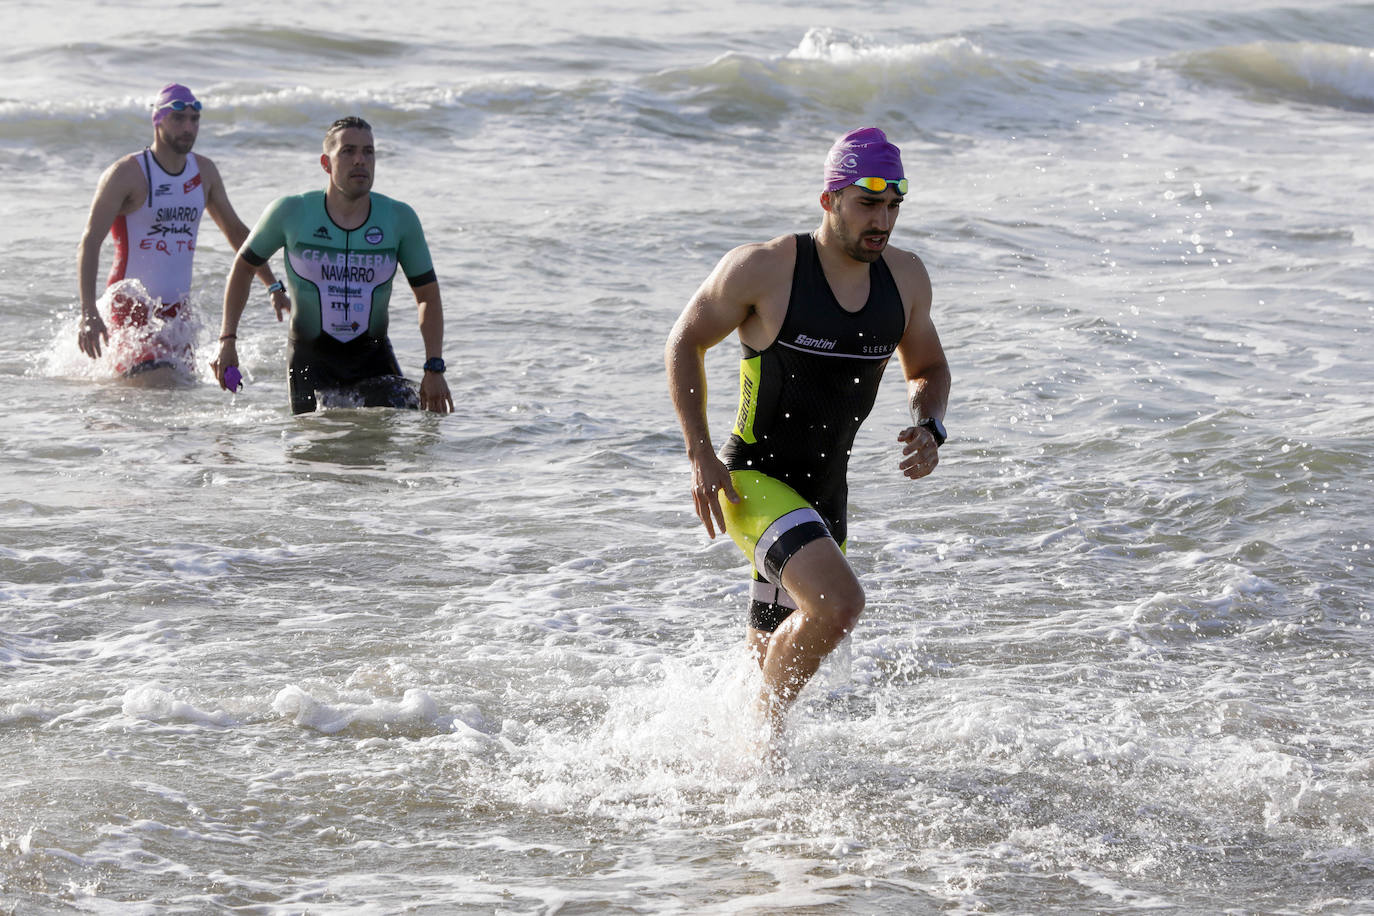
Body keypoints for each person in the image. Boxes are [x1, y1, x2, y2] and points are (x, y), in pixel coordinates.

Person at [664, 127, 951, 744]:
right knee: (839, 606)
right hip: (752, 481)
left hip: (826, 494)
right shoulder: (766, 269)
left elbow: (926, 366)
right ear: (830, 200)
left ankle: (737, 776)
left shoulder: (905, 280)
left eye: (894, 205)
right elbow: (684, 340)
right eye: (868, 203)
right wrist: (700, 455)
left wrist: (931, 423)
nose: (883, 220)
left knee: (768, 653)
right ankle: (761, 749)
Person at [212, 116, 453, 414]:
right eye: (348, 151)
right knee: (316, 452)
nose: (360, 160)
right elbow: (244, 267)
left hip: (373, 359)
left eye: (368, 152)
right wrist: (227, 340)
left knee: (396, 447)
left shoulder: (399, 219)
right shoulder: (291, 212)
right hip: (309, 363)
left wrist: (434, 367)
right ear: (326, 163)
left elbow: (427, 295)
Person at [76, 83, 289, 377]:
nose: (188, 127)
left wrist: (272, 285)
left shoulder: (204, 172)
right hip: (130, 306)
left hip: (177, 313)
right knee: (159, 386)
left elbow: (237, 233)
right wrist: (89, 312)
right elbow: (90, 241)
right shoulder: (127, 173)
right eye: (178, 119)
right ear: (158, 120)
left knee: (179, 395)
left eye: (194, 119)